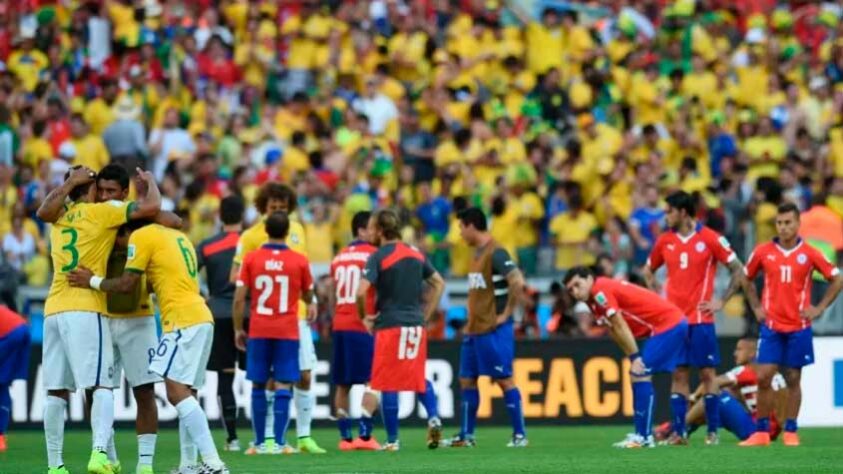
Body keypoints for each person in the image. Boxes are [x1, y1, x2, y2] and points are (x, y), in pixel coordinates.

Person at [67, 217, 229, 473]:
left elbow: (127, 283)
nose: (118, 246)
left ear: (128, 232)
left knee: (175, 392)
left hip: (182, 320)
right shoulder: (177, 237)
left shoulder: (142, 237)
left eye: (117, 238)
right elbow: (159, 280)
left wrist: (92, 281)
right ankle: (189, 465)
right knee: (188, 393)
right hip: (200, 315)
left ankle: (214, 463)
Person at [34, 165, 160, 474]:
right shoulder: (103, 213)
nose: (102, 195)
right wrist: (152, 184)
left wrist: (69, 183)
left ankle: (55, 466)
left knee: (56, 391)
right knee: (103, 384)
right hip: (86, 307)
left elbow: (42, 210)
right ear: (90, 190)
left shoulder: (59, 218)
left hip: (53, 309)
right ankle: (100, 455)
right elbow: (153, 208)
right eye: (97, 188)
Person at [94, 163, 183, 474]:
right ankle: (109, 460)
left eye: (111, 191)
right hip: (101, 316)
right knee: (101, 391)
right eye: (101, 190)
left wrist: (149, 196)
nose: (105, 197)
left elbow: (175, 221)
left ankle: (144, 466)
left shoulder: (138, 219)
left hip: (138, 318)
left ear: (124, 193)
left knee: (144, 391)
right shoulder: (93, 219)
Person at [643, 190, 748, 445]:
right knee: (678, 375)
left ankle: (713, 432)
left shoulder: (710, 238)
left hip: (701, 320)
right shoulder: (664, 241)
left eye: (669, 212)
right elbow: (648, 270)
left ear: (683, 212)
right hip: (674, 322)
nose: (665, 216)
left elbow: (738, 269)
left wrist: (721, 301)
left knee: (707, 375)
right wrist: (657, 294)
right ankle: (679, 433)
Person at [229, 182, 325, 454]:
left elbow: (304, 283)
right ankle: (272, 439)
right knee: (278, 380)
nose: (278, 212)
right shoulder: (250, 237)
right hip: (281, 320)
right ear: (263, 208)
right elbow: (235, 277)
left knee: (300, 376)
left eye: (282, 208)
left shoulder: (298, 231)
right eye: (274, 208)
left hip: (287, 319)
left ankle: (296, 438)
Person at [739, 202, 843, 447]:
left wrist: (818, 308)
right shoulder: (763, 251)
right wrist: (755, 306)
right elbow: (745, 277)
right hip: (772, 326)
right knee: (764, 376)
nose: (783, 227)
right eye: (780, 223)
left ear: (797, 224)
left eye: (788, 223)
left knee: (793, 378)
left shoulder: (809, 253)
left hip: (799, 326)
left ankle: (791, 431)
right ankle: (762, 432)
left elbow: (837, 279)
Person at [564, 266, 688, 448]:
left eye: (577, 285)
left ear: (589, 278)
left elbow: (619, 323)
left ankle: (644, 437)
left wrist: (636, 356)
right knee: (655, 373)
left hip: (667, 324)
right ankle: (664, 433)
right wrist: (632, 358)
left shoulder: (600, 290)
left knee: (641, 374)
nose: (575, 292)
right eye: (571, 290)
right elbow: (613, 330)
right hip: (668, 324)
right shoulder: (593, 300)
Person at [356, 209, 447, 451]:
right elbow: (439, 283)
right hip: (415, 325)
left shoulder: (378, 256)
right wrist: (425, 315)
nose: (371, 232)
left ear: (381, 230)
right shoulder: (416, 253)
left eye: (373, 227)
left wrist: (364, 316)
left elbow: (360, 291)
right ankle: (434, 417)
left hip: (390, 325)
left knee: (387, 382)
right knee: (417, 378)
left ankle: (393, 440)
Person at [445, 207, 528, 448]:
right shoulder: (476, 254)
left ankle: (519, 435)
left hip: (493, 329)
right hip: (474, 329)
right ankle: (466, 435)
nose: (460, 233)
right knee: (466, 380)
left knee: (505, 380)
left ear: (471, 225)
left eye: (461, 227)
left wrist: (507, 313)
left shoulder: (497, 252)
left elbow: (517, 280)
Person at [654, 339, 788, 442]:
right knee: (714, 403)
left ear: (752, 353)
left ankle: (675, 428)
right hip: (767, 431)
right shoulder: (771, 373)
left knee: (715, 395)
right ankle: (681, 432)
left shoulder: (746, 370)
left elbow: (713, 382)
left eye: (739, 349)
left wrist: (694, 397)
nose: (735, 353)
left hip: (755, 430)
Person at [328, 211, 381, 451]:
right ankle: (365, 435)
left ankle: (345, 438)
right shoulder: (373, 255)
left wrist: (334, 317)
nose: (376, 233)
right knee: (374, 380)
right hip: (364, 324)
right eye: (372, 228)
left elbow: (331, 293)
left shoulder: (338, 257)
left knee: (342, 384)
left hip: (340, 323)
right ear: (362, 230)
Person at [196, 195, 245, 452]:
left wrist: (202, 295)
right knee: (264, 377)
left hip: (219, 313)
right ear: (243, 215)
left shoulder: (208, 245)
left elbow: (187, 269)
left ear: (220, 216)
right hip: (251, 314)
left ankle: (233, 439)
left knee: (225, 377)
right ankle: (268, 439)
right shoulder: (252, 243)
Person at [0, 304, 30, 452]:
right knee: (3, 385)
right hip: (23, 331)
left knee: (2, 385)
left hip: (12, 334)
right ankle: (0, 438)